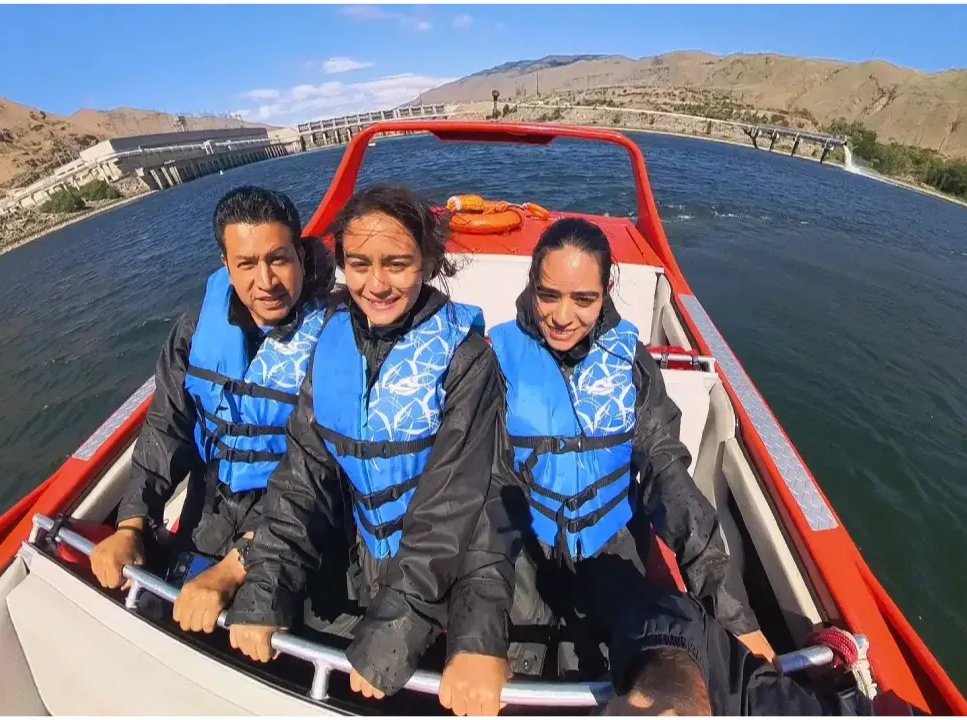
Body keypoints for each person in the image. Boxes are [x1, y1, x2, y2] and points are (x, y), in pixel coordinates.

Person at [223, 184, 515, 715]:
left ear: (427, 260)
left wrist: (395, 631)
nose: (375, 284)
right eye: (358, 264)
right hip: (362, 565)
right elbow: (301, 477)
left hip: (447, 582)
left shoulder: (467, 362)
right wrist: (266, 587)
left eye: (397, 264)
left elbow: (456, 509)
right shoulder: (331, 344)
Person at [486, 217, 775, 709]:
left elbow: (668, 476)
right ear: (532, 284)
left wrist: (734, 617)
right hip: (523, 552)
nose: (562, 315)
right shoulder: (497, 360)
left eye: (584, 299)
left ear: (607, 291)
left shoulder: (629, 364)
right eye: (549, 294)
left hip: (612, 548)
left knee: (624, 672)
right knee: (515, 680)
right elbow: (488, 490)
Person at [89, 185, 334, 638]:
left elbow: (320, 476)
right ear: (226, 265)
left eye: (278, 258)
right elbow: (166, 428)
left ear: (300, 255)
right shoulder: (193, 332)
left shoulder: (336, 342)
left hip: (297, 524)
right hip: (213, 500)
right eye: (246, 264)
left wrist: (237, 565)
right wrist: (130, 524)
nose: (266, 281)